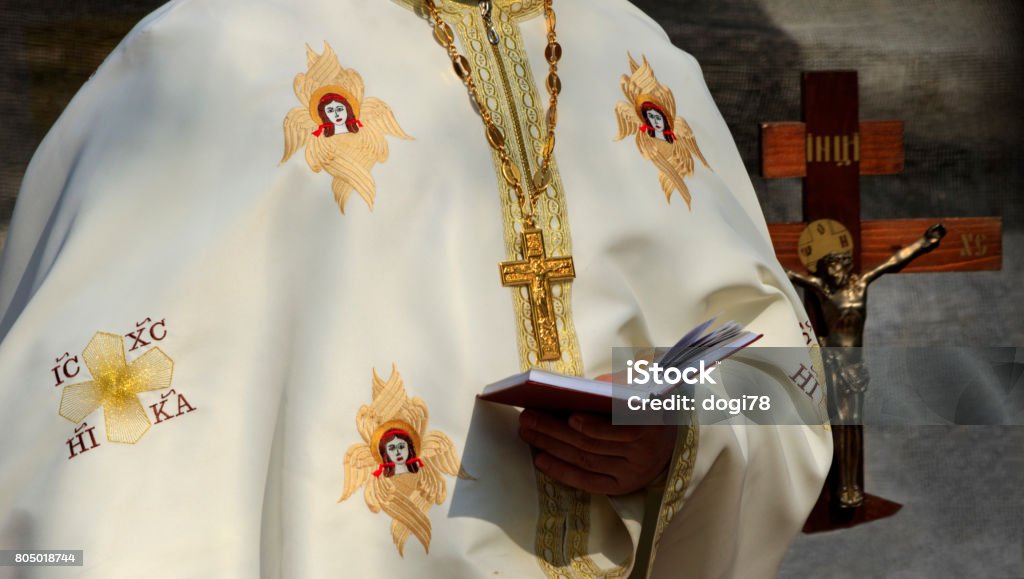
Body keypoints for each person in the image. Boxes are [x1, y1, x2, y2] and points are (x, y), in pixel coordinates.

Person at [0, 0, 830, 577]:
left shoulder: (635, 56)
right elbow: (89, 435)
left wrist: (676, 427)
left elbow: (790, 375)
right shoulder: (218, 52)